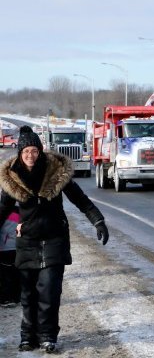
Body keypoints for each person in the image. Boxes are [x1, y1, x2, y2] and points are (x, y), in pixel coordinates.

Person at [0, 125, 109, 353]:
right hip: (27, 241)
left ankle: (48, 336)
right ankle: (27, 337)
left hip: (54, 239)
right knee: (28, 294)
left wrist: (98, 221)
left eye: (34, 151)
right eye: (26, 151)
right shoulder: (12, 179)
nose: (30, 155)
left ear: (40, 152)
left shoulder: (56, 173)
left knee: (49, 292)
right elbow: (2, 210)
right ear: (20, 154)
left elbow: (81, 199)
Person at [0, 206, 21, 306]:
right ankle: (17, 296)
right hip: (18, 247)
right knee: (17, 272)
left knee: (6, 273)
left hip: (5, 247)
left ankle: (6, 298)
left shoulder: (3, 212)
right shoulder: (21, 211)